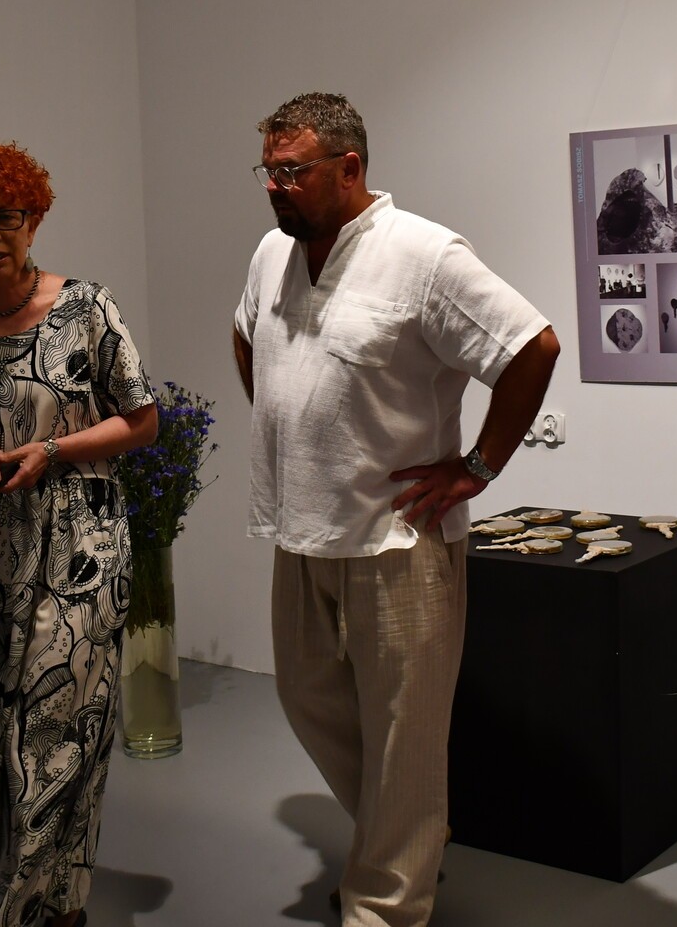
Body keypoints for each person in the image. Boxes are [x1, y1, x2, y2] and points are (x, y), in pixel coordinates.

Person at [230, 93, 559, 927]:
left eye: (291, 172)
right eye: (267, 170)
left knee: (404, 730)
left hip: (399, 534)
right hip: (299, 525)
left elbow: (532, 347)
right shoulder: (272, 253)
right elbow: (246, 334)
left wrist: (478, 466)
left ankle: (384, 906)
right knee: (307, 697)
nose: (273, 187)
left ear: (349, 168)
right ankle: (407, 834)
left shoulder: (425, 255)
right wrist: (286, 424)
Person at [0, 138, 159, 927]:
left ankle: (49, 904)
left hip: (80, 542)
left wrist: (51, 450)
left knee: (58, 727)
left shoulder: (88, 308)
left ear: (35, 218)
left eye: (7, 216)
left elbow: (143, 421)